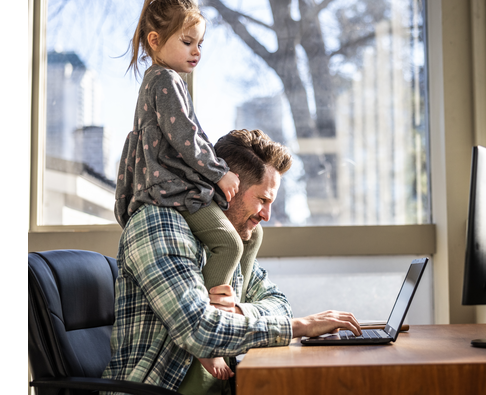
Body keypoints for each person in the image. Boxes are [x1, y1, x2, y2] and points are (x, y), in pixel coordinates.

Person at [102, 129, 362, 395]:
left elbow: (280, 305)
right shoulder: (158, 224)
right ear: (230, 188)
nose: (267, 215)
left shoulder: (228, 236)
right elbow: (199, 330)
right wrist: (299, 327)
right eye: (262, 200)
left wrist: (237, 311)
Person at [113, 0, 247, 381]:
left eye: (200, 44)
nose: (197, 51)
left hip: (173, 188)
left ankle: (226, 313)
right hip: (174, 192)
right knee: (229, 242)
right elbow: (187, 139)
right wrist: (219, 172)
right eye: (187, 41)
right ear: (155, 41)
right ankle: (208, 340)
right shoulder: (165, 81)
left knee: (246, 238)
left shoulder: (161, 82)